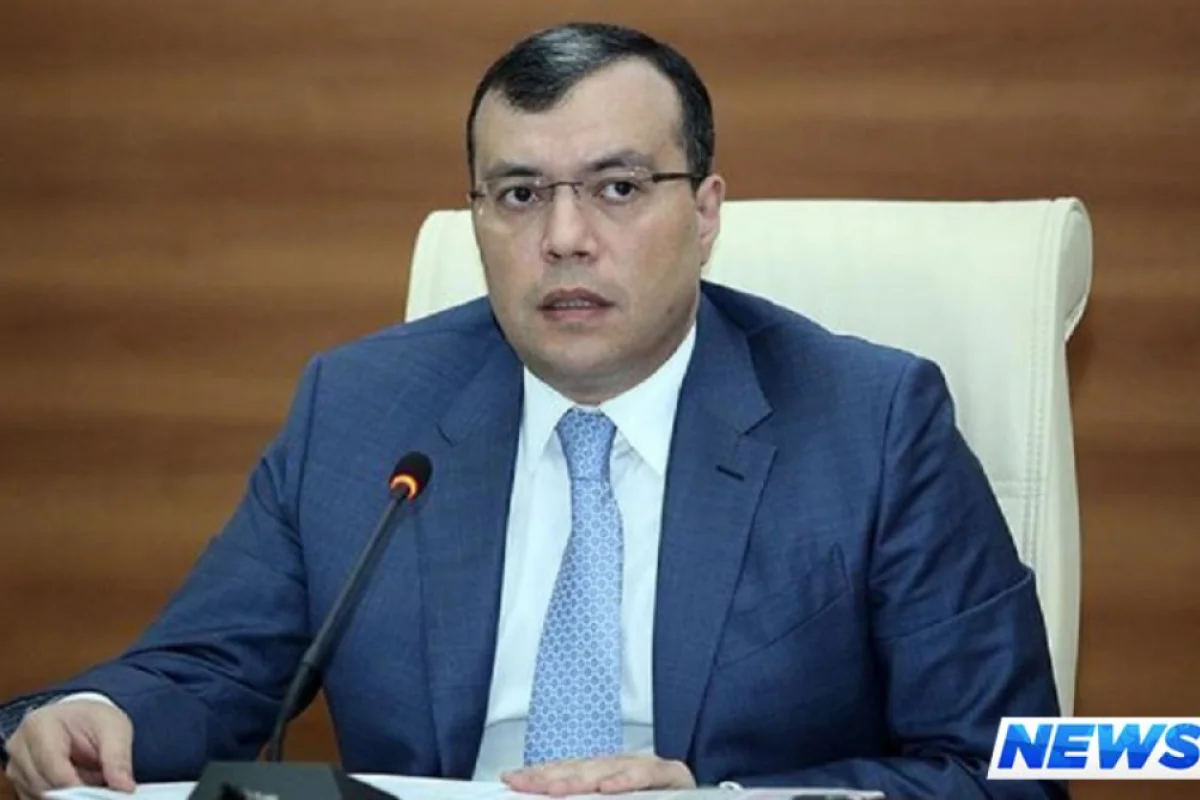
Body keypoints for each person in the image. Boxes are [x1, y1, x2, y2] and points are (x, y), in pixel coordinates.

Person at [0, 21, 1065, 800]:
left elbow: (1008, 766)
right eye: (519, 194)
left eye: (617, 188)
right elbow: (212, 666)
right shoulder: (362, 410)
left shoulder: (871, 423)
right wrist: (98, 712)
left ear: (704, 214)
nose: (563, 238)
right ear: (477, 217)